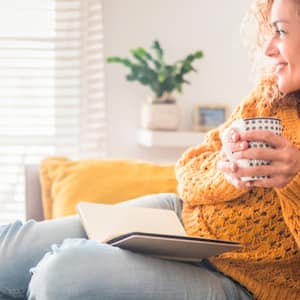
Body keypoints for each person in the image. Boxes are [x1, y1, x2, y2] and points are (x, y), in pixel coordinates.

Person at [0, 0, 299, 298]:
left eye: (282, 32)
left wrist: (294, 178)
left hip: (243, 284)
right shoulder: (271, 96)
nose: (268, 48)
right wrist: (227, 167)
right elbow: (190, 169)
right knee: (6, 249)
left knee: (60, 274)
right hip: (178, 220)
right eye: (270, 31)